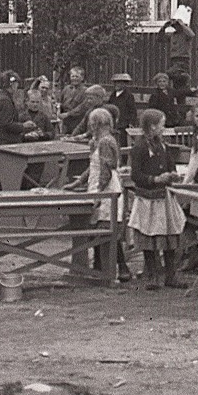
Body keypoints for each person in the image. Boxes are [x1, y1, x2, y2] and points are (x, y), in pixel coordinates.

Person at [126, 107, 187, 288]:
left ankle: (170, 275)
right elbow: (136, 175)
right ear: (152, 126)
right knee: (148, 236)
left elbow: (170, 165)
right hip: (148, 198)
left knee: (169, 235)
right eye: (161, 124)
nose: (163, 128)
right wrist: (155, 179)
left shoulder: (163, 146)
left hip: (164, 197)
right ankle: (152, 275)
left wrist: (173, 174)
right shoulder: (139, 147)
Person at [72, 105, 129, 283]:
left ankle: (114, 270)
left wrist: (99, 195)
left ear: (97, 124)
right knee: (97, 228)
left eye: (92, 124)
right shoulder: (98, 141)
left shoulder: (106, 142)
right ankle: (99, 267)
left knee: (106, 230)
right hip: (96, 186)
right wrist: (79, 182)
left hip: (107, 190)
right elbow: (93, 166)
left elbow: (106, 171)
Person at [0, 71, 36, 144]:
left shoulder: (2, 97)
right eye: (17, 83)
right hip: (6, 142)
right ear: (12, 84)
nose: (17, 86)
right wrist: (23, 126)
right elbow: (6, 124)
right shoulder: (5, 101)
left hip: (3, 140)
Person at [160, 6, 196, 91]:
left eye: (177, 25)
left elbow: (192, 34)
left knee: (171, 75)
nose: (175, 27)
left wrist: (182, 24)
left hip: (183, 59)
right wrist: (164, 27)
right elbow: (160, 38)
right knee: (177, 83)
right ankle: (178, 95)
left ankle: (185, 84)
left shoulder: (185, 34)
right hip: (174, 59)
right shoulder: (172, 35)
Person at [108, 73, 142, 143]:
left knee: (122, 142)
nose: (117, 84)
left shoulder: (128, 96)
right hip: (113, 123)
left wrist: (131, 123)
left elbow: (132, 111)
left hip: (123, 124)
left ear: (124, 84)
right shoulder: (113, 95)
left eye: (119, 83)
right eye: (115, 82)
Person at [58, 67, 90, 133]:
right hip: (65, 123)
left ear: (82, 78)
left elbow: (82, 107)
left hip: (78, 122)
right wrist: (58, 111)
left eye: (77, 76)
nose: (74, 78)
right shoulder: (66, 89)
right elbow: (60, 102)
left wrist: (68, 114)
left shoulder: (85, 91)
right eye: (72, 76)